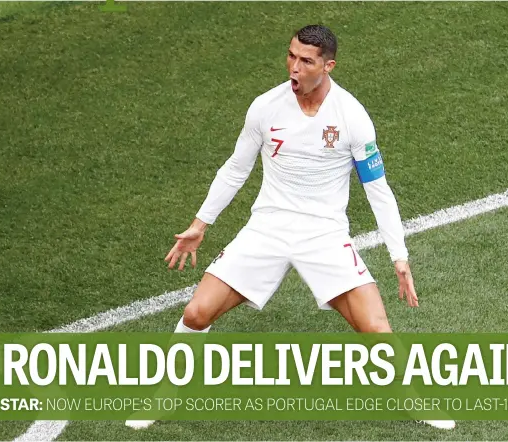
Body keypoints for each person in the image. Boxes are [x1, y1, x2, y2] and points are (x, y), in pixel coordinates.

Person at [126, 24, 454, 431]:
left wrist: (399, 258)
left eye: (306, 61)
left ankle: (417, 401)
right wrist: (200, 225)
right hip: (268, 228)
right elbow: (235, 168)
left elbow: (378, 190)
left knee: (375, 328)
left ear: (328, 66)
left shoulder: (351, 116)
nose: (293, 68)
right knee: (196, 312)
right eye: (291, 56)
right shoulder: (265, 107)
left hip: (324, 234)